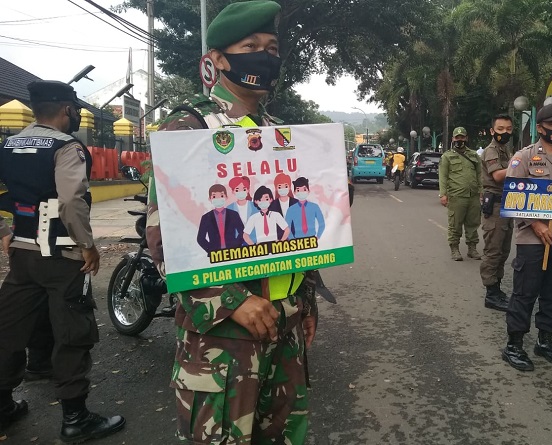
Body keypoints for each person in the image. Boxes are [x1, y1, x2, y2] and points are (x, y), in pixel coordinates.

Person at [148, 2, 317, 443]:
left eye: (272, 47)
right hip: (224, 334)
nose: (264, 55)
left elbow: (291, 226)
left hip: (285, 322)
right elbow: (164, 237)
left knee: (283, 434)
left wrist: (307, 298)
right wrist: (230, 301)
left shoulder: (279, 133)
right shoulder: (187, 129)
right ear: (219, 59)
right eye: (251, 46)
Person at [0, 80, 125, 442]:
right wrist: (88, 245)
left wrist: (4, 228)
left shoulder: (8, 144)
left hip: (22, 254)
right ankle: (75, 417)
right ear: (67, 110)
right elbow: (71, 201)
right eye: (76, 111)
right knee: (73, 331)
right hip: (63, 254)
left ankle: (3, 406)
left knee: (9, 328)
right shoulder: (67, 146)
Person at [501, 104, 552, 372]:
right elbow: (513, 197)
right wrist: (536, 224)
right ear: (540, 128)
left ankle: (545, 340)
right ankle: (514, 345)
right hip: (531, 239)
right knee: (525, 292)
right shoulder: (522, 158)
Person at [479, 114, 515, 312]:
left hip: (506, 205)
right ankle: (491, 294)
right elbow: (498, 175)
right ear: (492, 131)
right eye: (500, 129)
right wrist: (519, 164)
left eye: (508, 129)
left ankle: (497, 290)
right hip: (494, 207)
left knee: (503, 250)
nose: (505, 132)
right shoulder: (491, 150)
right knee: (493, 250)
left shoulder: (505, 150)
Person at [438, 127, 483, 261]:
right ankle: (455, 249)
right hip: (456, 196)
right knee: (455, 224)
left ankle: (472, 249)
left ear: (466, 138)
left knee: (473, 224)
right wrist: (443, 194)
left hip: (473, 196)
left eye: (462, 137)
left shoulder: (474, 155)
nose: (460, 140)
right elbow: (443, 176)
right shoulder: (447, 156)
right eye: (457, 138)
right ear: (453, 139)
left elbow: (480, 174)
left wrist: (481, 191)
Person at [197, 184, 245, 254]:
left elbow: (242, 232)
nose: (218, 199)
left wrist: (236, 247)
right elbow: (200, 238)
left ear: (226, 197)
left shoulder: (233, 214)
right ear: (210, 199)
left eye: (221, 196)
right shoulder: (206, 217)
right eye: (214, 196)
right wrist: (211, 250)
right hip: (216, 255)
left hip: (234, 252)